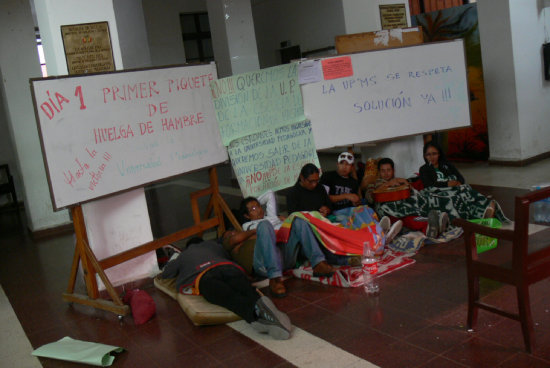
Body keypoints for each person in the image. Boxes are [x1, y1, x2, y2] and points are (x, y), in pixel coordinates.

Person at [161, 237, 292, 340]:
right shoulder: (214, 246)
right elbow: (227, 254)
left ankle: (255, 317)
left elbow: (166, 274)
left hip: (204, 275)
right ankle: (261, 303)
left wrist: (175, 258)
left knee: (229, 297)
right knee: (247, 290)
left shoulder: (185, 254)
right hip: (228, 267)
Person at [224, 206, 337, 297]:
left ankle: (318, 263)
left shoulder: (250, 233)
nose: (232, 233)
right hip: (264, 266)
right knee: (264, 225)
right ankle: (275, 279)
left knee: (298, 220)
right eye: (230, 233)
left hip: (282, 259)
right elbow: (234, 239)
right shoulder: (232, 242)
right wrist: (256, 230)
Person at [369, 157, 448, 238]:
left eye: (388, 170)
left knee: (412, 217)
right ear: (379, 172)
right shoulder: (373, 185)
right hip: (388, 212)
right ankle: (434, 227)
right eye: (383, 171)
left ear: (393, 171)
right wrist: (387, 184)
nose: (386, 173)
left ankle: (434, 227)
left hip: (404, 210)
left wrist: (407, 185)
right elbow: (370, 197)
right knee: (406, 220)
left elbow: (412, 194)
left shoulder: (398, 181)